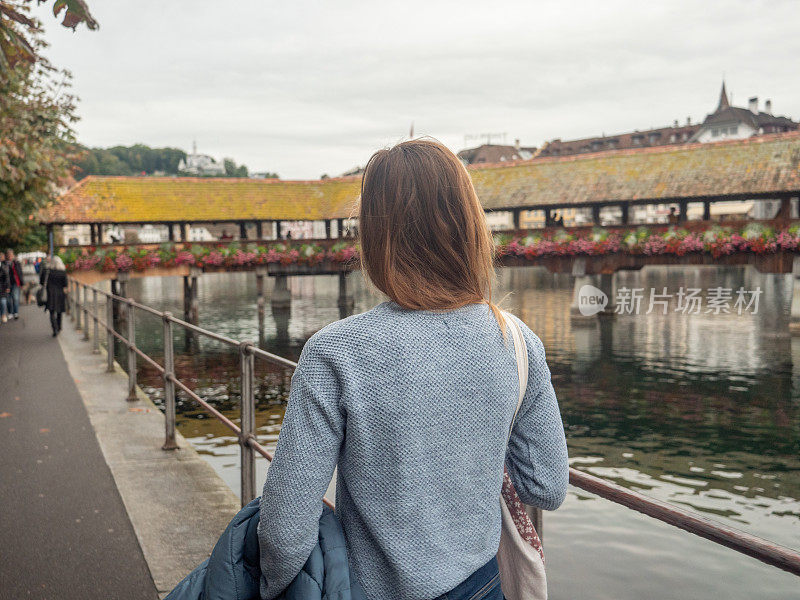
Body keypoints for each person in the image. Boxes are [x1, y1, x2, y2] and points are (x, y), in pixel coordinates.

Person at [257, 140, 568, 600]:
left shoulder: (336, 352)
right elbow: (547, 486)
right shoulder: (517, 341)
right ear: (470, 227)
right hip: (482, 587)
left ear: (375, 237)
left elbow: (284, 532)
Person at [40, 255, 68, 336]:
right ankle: (59, 327)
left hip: (50, 293)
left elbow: (41, 282)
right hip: (60, 294)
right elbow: (65, 284)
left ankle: (54, 329)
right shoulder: (62, 272)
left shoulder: (47, 271)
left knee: (51, 311)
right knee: (59, 311)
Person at [5, 249, 25, 319]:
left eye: (11, 255)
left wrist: (22, 283)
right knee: (8, 300)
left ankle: (16, 312)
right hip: (6, 284)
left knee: (15, 298)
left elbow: (20, 273)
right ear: (7, 256)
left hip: (16, 283)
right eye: (9, 255)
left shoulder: (16, 263)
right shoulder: (4, 264)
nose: (10, 256)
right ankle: (10, 312)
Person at [0, 252, 10, 324]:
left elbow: (7, 277)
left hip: (2, 287)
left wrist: (8, 286)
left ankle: (3, 315)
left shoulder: (4, 265)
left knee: (3, 302)